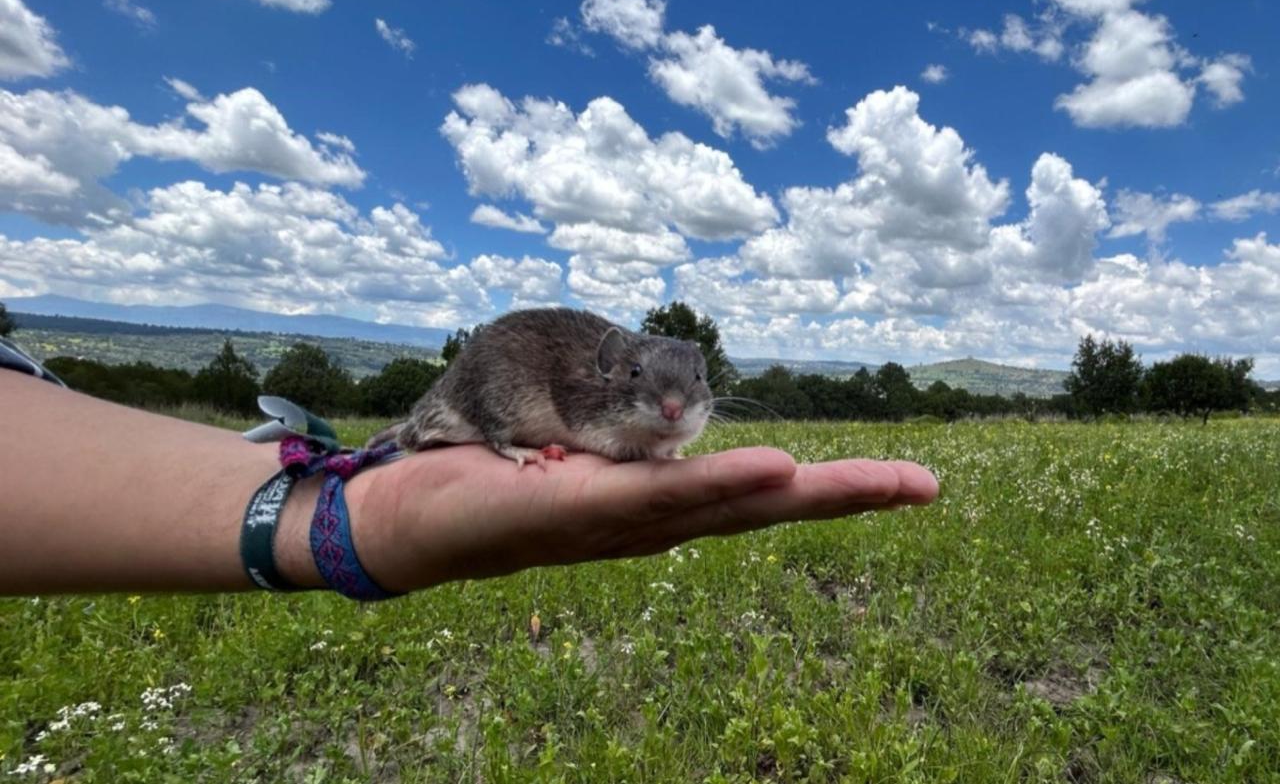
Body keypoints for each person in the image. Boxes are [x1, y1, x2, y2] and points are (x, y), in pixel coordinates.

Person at [0, 341, 938, 597]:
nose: (672, 412)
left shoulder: (673, 395)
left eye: (688, 398)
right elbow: (606, 434)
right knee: (506, 417)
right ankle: (487, 442)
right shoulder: (594, 394)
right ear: (626, 375)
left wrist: (329, 517)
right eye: (658, 396)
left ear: (699, 386)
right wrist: (519, 449)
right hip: (490, 402)